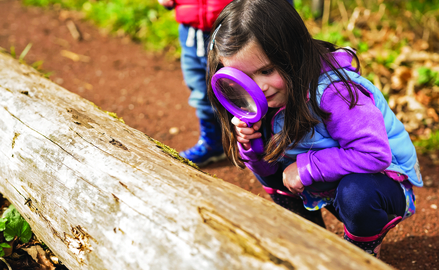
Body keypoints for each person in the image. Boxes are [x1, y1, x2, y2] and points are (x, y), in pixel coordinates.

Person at [207, 0, 422, 257]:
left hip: (381, 182)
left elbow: (374, 154)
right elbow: (269, 170)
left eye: (266, 70)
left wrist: (306, 167)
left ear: (293, 53)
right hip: (325, 181)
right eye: (242, 78)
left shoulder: (335, 92)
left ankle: (362, 249)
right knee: (271, 165)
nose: (259, 87)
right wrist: (251, 147)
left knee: (356, 195)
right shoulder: (264, 100)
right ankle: (310, 241)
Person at [157, 0, 233, 167]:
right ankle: (213, 142)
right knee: (200, 88)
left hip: (232, 26)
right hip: (190, 30)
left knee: (238, 88)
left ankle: (258, 147)